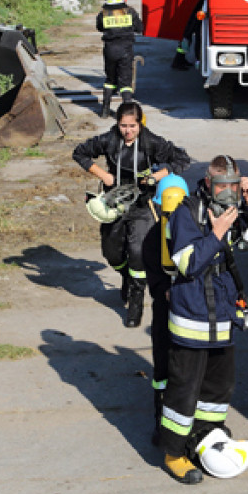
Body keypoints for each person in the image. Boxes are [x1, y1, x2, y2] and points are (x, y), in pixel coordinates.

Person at [159, 156, 248, 484]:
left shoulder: (233, 210)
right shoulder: (186, 212)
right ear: (207, 183)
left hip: (222, 317)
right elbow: (188, 264)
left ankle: (206, 435)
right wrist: (217, 232)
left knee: (218, 387)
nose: (228, 192)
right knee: (184, 390)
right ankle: (173, 453)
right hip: (192, 318)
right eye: (221, 185)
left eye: (233, 186)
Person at [72, 101, 191, 328]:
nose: (128, 131)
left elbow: (182, 159)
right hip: (114, 202)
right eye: (123, 126)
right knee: (112, 253)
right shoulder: (108, 140)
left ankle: (136, 302)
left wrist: (159, 176)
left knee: (138, 252)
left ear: (140, 124)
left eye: (132, 126)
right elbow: (79, 153)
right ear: (117, 124)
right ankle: (126, 276)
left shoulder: (151, 142)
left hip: (142, 205)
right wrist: (102, 175)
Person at [142, 173, 190, 447]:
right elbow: (154, 277)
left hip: (189, 313)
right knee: (163, 372)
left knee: (188, 372)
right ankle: (162, 424)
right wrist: (166, 291)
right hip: (165, 312)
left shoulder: (194, 230)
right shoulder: (151, 240)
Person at [96, 0, 143, 119]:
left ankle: (105, 110)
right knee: (125, 82)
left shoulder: (103, 14)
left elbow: (99, 27)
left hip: (109, 50)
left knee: (110, 79)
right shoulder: (130, 12)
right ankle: (127, 111)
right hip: (125, 51)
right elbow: (140, 28)